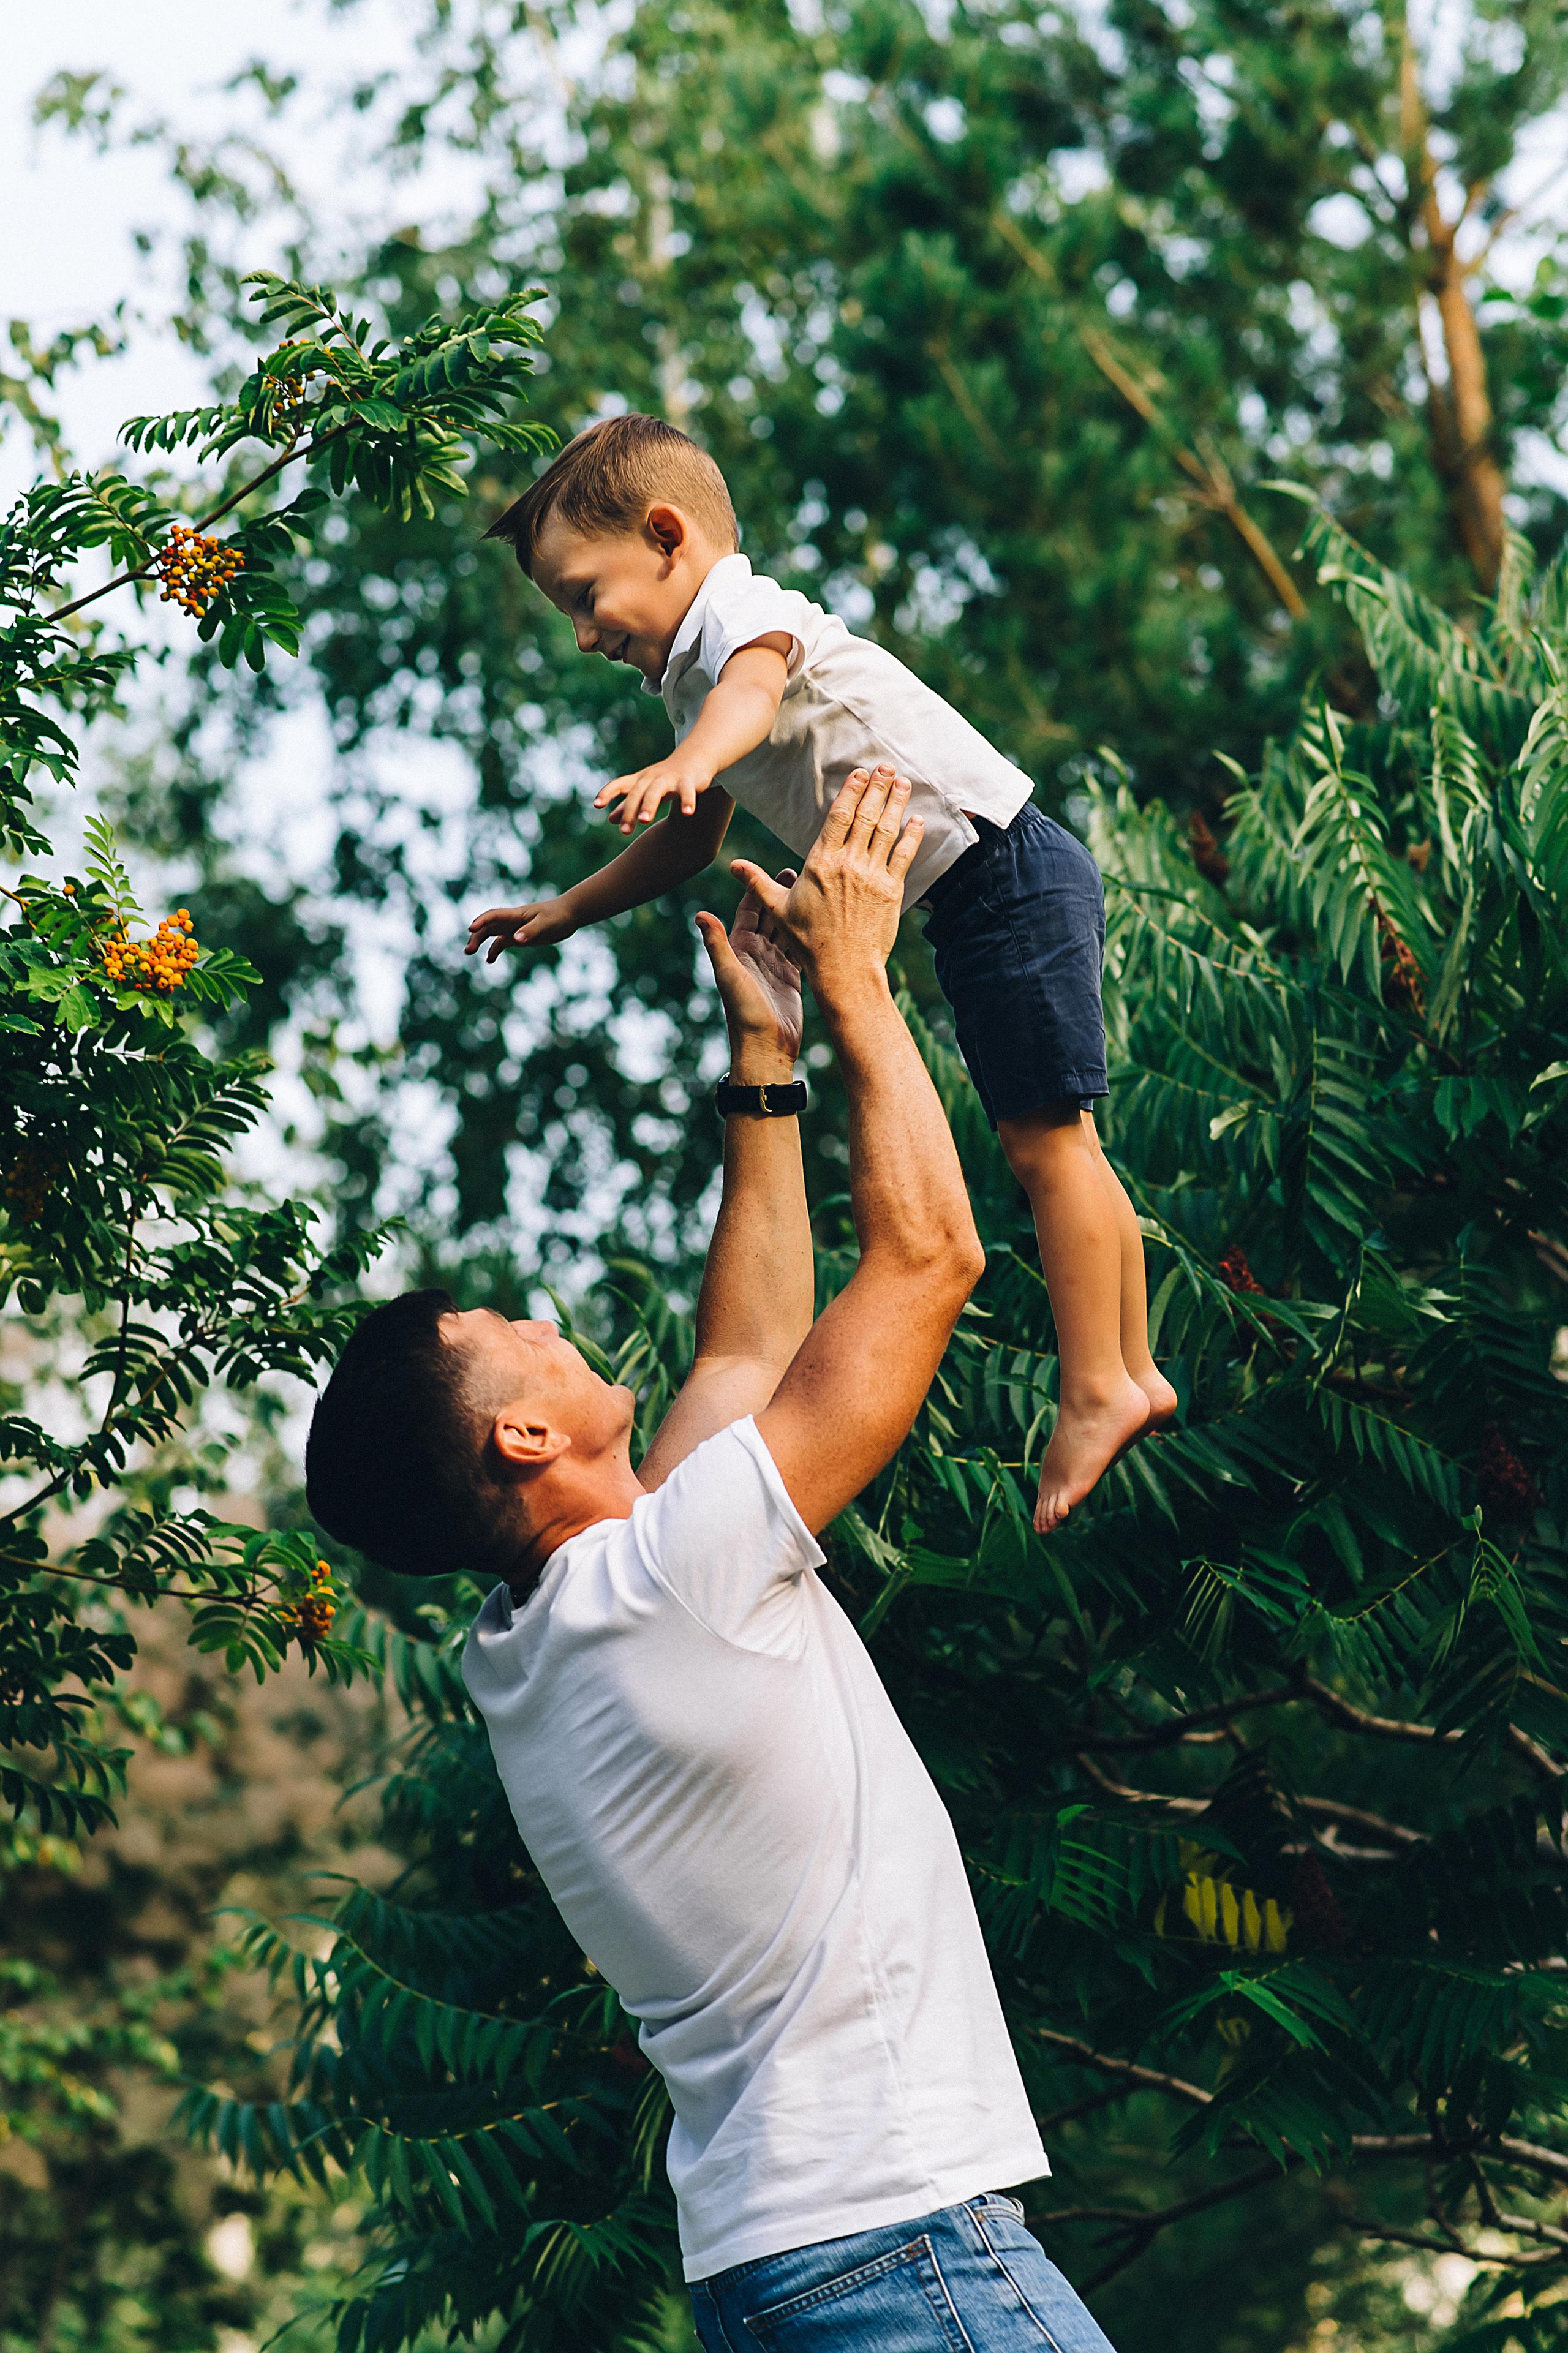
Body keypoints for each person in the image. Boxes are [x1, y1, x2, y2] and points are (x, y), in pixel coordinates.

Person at [307, 770, 1118, 2352]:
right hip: (901, 2244)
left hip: (778, 2265)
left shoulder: (554, 1637)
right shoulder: (672, 1582)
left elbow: (749, 1351)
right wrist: (869, 979)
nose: (542, 1322)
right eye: (508, 1336)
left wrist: (769, 1056)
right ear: (522, 1442)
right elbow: (931, 1259)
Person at [465, 412, 1175, 1532]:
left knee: (1048, 1147)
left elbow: (749, 701)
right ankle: (1127, 1363)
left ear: (668, 537)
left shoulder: (741, 620)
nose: (585, 635)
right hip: (982, 888)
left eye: (587, 597)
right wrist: (572, 906)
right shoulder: (692, 682)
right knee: (1058, 1144)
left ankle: (1098, 1381)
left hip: (1005, 868)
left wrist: (689, 755)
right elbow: (693, 839)